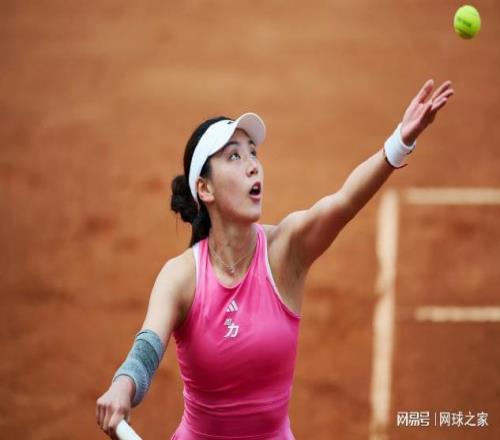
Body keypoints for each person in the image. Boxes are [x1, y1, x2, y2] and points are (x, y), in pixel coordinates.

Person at [96, 79, 454, 439]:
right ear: (205, 188)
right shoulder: (181, 277)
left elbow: (345, 200)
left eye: (253, 153)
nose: (253, 165)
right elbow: (147, 347)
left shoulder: (286, 251)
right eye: (234, 156)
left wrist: (400, 142)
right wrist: (123, 385)